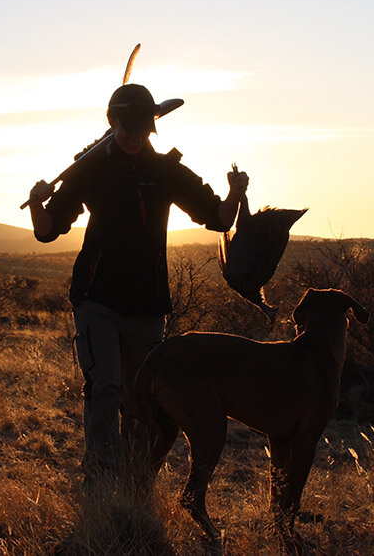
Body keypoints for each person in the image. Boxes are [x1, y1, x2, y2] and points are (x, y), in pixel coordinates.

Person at [27, 83, 248, 490]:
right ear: (111, 122)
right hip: (96, 297)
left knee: (141, 400)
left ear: (152, 126)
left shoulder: (166, 170)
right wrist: (39, 201)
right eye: (126, 126)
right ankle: (100, 478)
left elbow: (217, 217)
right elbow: (47, 231)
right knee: (105, 384)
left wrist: (235, 194)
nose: (134, 135)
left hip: (147, 303)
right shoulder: (89, 168)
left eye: (143, 128)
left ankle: (132, 480)